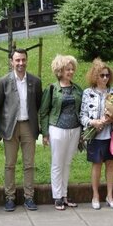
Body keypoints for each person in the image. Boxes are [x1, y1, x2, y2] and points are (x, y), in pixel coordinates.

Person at [0, 48, 42, 212]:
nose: (21, 63)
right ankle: (10, 197)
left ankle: (29, 197)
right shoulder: (3, 81)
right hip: (11, 127)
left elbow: (38, 104)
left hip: (29, 126)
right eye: (17, 60)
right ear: (11, 62)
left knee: (29, 164)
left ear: (27, 60)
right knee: (10, 164)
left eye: (23, 60)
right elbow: (0, 106)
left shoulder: (35, 81)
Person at [39, 54, 83, 210]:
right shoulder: (52, 89)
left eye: (72, 69)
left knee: (67, 163)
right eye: (67, 69)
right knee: (57, 163)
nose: (70, 72)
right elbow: (43, 112)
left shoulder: (77, 89)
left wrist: (83, 132)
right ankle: (57, 196)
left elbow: (82, 110)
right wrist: (44, 133)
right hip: (57, 129)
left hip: (75, 129)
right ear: (59, 71)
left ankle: (64, 194)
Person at [80, 58, 113, 210]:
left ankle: (110, 196)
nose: (105, 78)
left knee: (111, 165)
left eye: (107, 75)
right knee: (96, 165)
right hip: (95, 135)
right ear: (95, 77)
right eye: (102, 75)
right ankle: (95, 195)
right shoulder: (88, 93)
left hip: (112, 135)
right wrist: (93, 123)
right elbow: (82, 116)